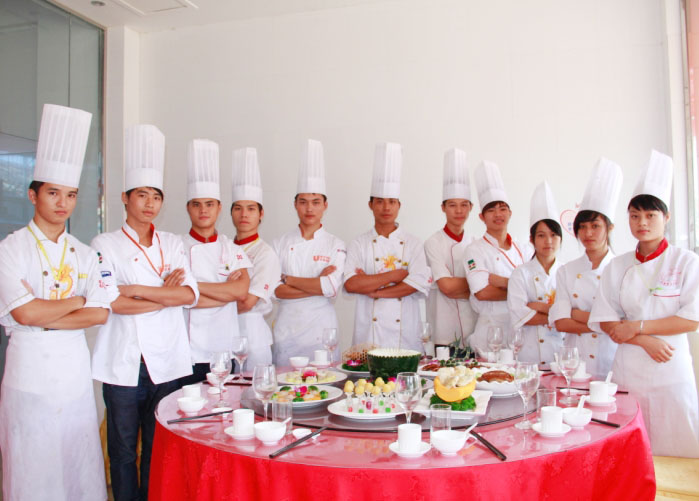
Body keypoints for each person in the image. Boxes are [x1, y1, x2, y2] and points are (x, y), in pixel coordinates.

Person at [0, 104, 116, 501]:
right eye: (53, 193)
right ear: (32, 195)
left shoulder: (85, 253)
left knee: (76, 463)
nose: (62, 203)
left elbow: (99, 313)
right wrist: (76, 300)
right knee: (31, 467)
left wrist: (54, 310)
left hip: (73, 373)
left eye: (70, 195)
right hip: (29, 373)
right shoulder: (11, 249)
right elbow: (24, 312)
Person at [91, 125, 199, 500]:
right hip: (124, 362)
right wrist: (164, 295)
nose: (150, 203)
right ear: (125, 198)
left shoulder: (172, 242)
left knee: (159, 447)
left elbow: (189, 294)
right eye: (142, 195)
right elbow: (113, 302)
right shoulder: (104, 243)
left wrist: (136, 288)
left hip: (166, 362)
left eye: (156, 196)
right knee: (123, 451)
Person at [589, 150, 699, 458]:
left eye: (651, 215)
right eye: (635, 216)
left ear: (666, 217)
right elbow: (607, 320)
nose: (642, 223)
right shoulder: (617, 265)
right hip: (630, 370)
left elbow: (691, 318)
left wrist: (636, 327)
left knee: (679, 450)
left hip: (671, 370)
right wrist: (645, 339)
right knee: (630, 451)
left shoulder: (686, 262)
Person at [344, 143, 431, 351]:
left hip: (405, 337)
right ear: (370, 205)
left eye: (392, 201)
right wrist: (395, 275)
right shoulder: (359, 243)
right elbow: (351, 284)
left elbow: (416, 284)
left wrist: (374, 290)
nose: (386, 207)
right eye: (380, 201)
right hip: (368, 336)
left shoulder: (413, 243)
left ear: (399, 205)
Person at [179, 139, 251, 386]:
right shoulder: (175, 247)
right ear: (188, 208)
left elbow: (240, 291)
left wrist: (192, 287)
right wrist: (224, 292)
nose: (203, 210)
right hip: (187, 353)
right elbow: (176, 298)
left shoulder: (231, 249)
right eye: (196, 204)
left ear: (219, 208)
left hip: (225, 350)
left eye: (209, 204)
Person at [273, 140, 346, 363]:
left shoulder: (335, 244)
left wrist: (288, 279)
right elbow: (275, 291)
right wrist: (316, 284)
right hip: (287, 332)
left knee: (327, 381)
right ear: (295, 204)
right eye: (303, 202)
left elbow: (330, 288)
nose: (309, 208)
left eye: (316, 202)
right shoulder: (279, 243)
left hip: (321, 333)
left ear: (325, 205)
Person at [549, 159, 622, 378]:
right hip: (576, 361)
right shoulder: (566, 271)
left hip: (612, 358)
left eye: (595, 226)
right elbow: (561, 323)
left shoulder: (623, 269)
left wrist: (578, 314)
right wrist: (605, 325)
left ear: (610, 228)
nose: (588, 233)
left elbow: (624, 323)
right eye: (582, 227)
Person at [463, 161, 532, 357]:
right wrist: (521, 290)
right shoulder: (474, 250)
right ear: (482, 217)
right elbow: (482, 292)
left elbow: (536, 290)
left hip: (521, 330)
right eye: (491, 210)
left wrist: (500, 281)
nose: (498, 214)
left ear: (510, 213)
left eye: (502, 209)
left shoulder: (525, 249)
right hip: (489, 331)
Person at [231, 147, 281, 368]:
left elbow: (247, 302)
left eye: (251, 209)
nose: (244, 214)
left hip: (253, 339)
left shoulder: (265, 254)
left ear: (261, 214)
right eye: (238, 208)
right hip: (222, 337)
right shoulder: (224, 248)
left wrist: (208, 308)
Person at [424, 148, 477, 351]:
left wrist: (465, 287)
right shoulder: (433, 243)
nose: (459, 211)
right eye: (452, 205)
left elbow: (484, 290)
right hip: (443, 334)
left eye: (464, 205)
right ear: (443, 207)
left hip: (474, 333)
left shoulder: (476, 244)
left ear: (471, 207)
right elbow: (446, 287)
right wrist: (476, 287)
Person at [507, 182, 564, 364]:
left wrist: (539, 306)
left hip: (559, 353)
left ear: (561, 238)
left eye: (553, 235)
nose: (548, 241)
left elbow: (571, 314)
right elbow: (519, 314)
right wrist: (556, 315)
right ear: (531, 239)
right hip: (528, 355)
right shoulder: (520, 274)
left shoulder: (567, 273)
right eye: (541, 235)